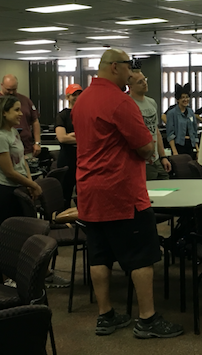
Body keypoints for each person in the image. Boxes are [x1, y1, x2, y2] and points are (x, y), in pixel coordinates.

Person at [74, 48, 183, 339]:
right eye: (128, 66)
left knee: (99, 257)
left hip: (89, 191)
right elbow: (146, 147)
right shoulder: (120, 102)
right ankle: (147, 319)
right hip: (121, 192)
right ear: (113, 67)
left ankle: (105, 315)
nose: (131, 72)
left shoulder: (81, 100)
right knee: (141, 256)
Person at [0, 95, 42, 228]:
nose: (21, 114)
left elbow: (22, 160)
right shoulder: (0, 137)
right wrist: (34, 186)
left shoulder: (13, 132)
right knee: (8, 233)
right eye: (16, 110)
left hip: (18, 187)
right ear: (4, 112)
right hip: (4, 191)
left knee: (21, 231)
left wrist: (29, 182)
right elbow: (9, 172)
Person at [0, 75, 41, 157]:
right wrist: (6, 129)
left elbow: (35, 121)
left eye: (14, 89)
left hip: (26, 147)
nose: (11, 92)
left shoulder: (25, 100)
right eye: (8, 89)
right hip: (3, 148)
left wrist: (37, 142)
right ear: (2, 85)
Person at [129, 71, 172, 180]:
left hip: (156, 159)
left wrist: (163, 157)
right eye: (140, 82)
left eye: (145, 79)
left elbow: (156, 131)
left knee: (166, 183)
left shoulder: (151, 102)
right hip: (143, 161)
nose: (144, 83)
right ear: (131, 87)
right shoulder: (129, 104)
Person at [55, 83, 82, 203]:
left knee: (82, 193)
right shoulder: (63, 115)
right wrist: (82, 137)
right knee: (65, 193)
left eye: (79, 94)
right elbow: (62, 138)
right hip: (66, 160)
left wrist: (70, 135)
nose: (76, 97)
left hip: (82, 159)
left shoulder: (85, 113)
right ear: (67, 97)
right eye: (73, 95)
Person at [166, 85, 198, 158]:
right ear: (178, 99)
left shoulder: (190, 112)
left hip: (190, 145)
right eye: (182, 97)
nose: (185, 99)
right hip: (178, 146)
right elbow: (170, 134)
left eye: (187, 97)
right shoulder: (171, 113)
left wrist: (197, 150)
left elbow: (194, 131)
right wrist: (174, 151)